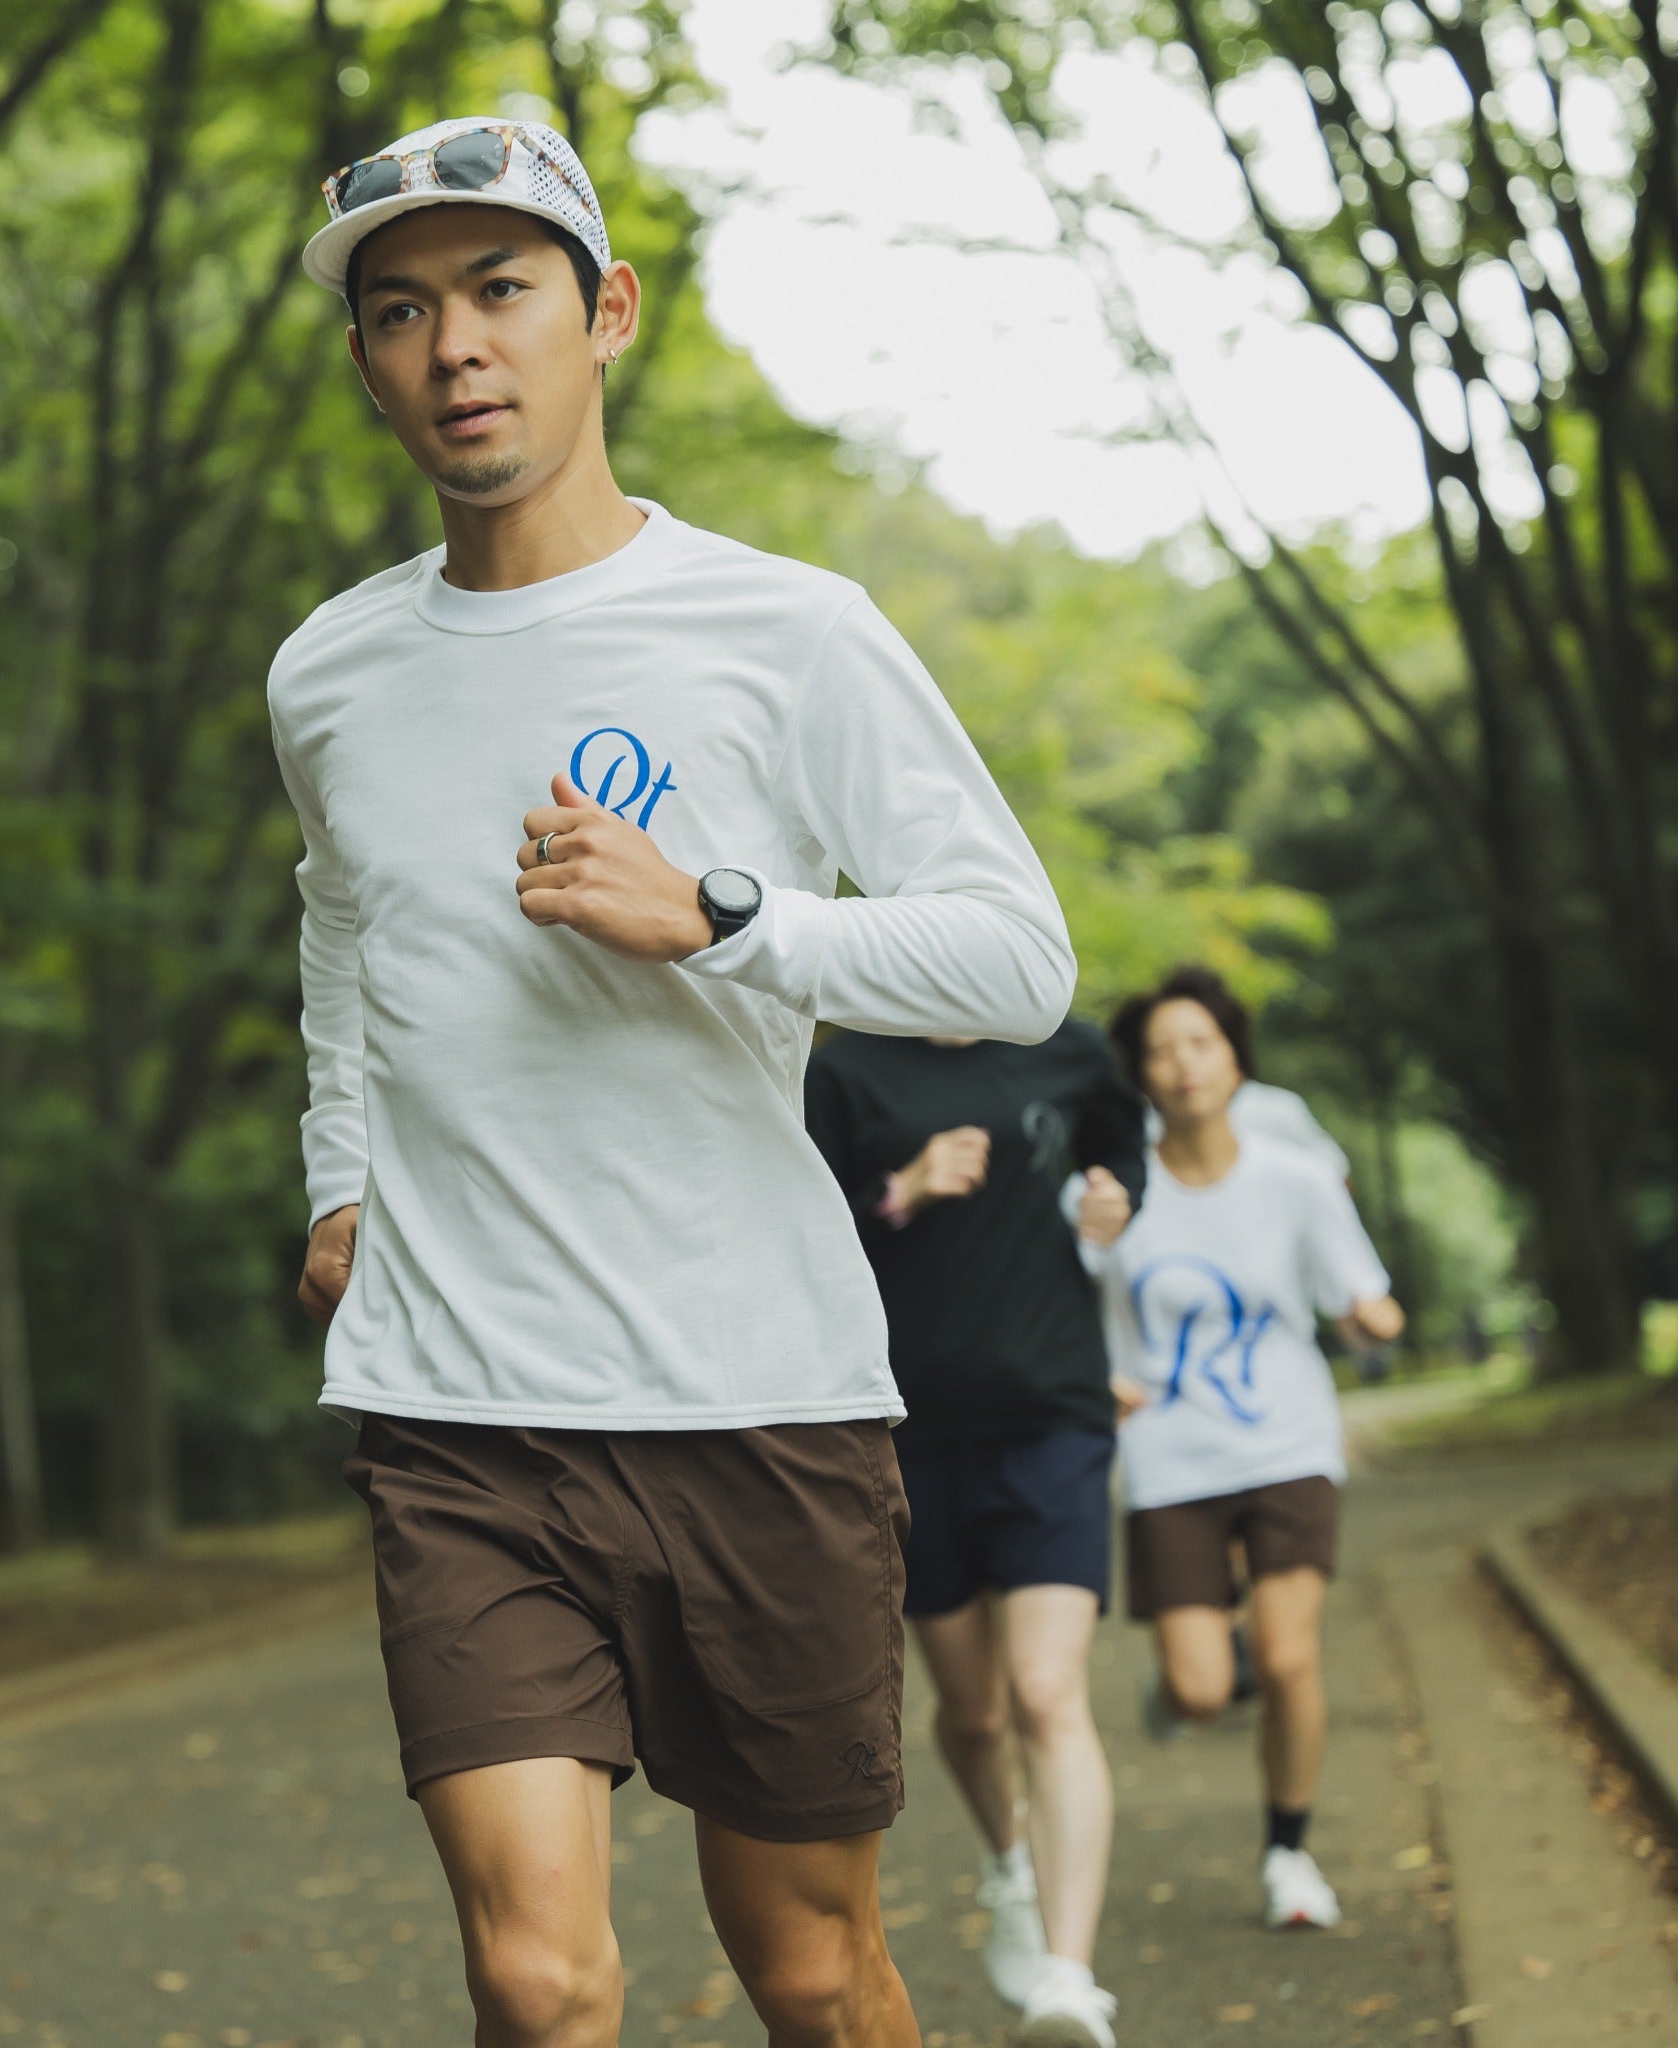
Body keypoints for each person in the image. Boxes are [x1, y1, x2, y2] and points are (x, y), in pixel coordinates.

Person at [270, 115, 1077, 2048]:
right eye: (399, 310)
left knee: (809, 1970)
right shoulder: (329, 672)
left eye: (498, 289)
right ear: (367, 359)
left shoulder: (787, 629)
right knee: (539, 1982)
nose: (453, 344)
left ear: (601, 311)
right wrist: (335, 1171)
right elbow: (343, 926)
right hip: (457, 1409)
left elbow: (1014, 959)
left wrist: (723, 915)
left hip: (757, 1400)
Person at [806, 1022, 1147, 2048]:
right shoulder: (844, 1066)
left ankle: (1068, 1976)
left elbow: (1120, 1141)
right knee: (972, 1705)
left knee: (1047, 1691)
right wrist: (899, 1190)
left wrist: (1115, 1193)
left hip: (1053, 1413)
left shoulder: (1065, 1047)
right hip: (908, 1429)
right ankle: (1010, 1862)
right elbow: (796, 1233)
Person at [1095, 967, 1403, 1932]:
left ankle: (1288, 1856)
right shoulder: (1112, 1193)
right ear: (1140, 1074)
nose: (1184, 1066)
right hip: (1169, 1457)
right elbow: (1079, 1314)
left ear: (1234, 1058)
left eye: (1202, 1044)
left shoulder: (1297, 1179)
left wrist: (1373, 1318)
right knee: (1199, 1689)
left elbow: (1365, 1301)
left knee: (1285, 1656)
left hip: (1288, 1441)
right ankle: (1186, 1680)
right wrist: (1099, 1381)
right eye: (1162, 1050)